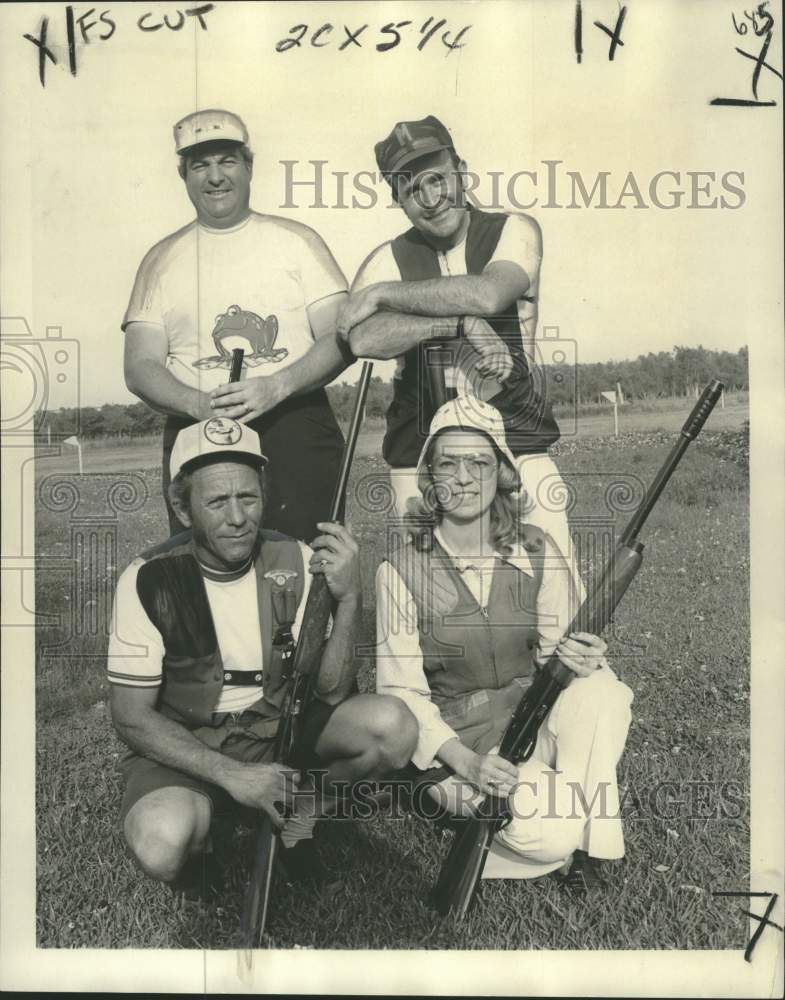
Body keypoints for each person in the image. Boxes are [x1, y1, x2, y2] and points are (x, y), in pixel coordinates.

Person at [108, 416, 417, 890]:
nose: (237, 517)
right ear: (183, 508)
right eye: (216, 501)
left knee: (392, 729)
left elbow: (332, 693)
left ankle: (300, 814)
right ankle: (211, 832)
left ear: (264, 494)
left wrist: (350, 598)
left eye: (248, 497)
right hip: (188, 743)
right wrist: (231, 775)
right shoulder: (147, 577)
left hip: (279, 731)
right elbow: (131, 717)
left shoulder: (294, 556)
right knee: (162, 842)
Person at [375, 397, 633, 888]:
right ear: (429, 477)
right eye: (449, 463)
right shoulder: (401, 570)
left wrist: (584, 658)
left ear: (503, 474)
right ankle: (468, 812)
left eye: (480, 462)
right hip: (461, 746)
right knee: (553, 835)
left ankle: (594, 850)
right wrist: (468, 764)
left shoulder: (536, 546)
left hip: (531, 723)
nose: (465, 477)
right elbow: (403, 695)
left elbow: (559, 653)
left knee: (605, 692)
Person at [340, 114, 581, 591]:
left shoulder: (514, 229)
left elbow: (490, 294)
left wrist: (385, 294)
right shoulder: (388, 255)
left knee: (554, 588)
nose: (431, 199)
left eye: (438, 179)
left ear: (461, 172)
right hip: (422, 453)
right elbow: (362, 339)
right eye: (412, 189)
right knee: (434, 598)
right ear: (397, 199)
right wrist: (458, 323)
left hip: (516, 443)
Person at [122, 109, 353, 542]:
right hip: (198, 429)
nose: (215, 177)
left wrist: (278, 385)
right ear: (183, 175)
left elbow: (341, 337)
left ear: (249, 165)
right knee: (210, 575)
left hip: (295, 423)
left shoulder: (298, 241)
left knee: (307, 566)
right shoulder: (159, 260)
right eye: (200, 164)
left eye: (227, 161)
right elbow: (139, 365)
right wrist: (196, 403)